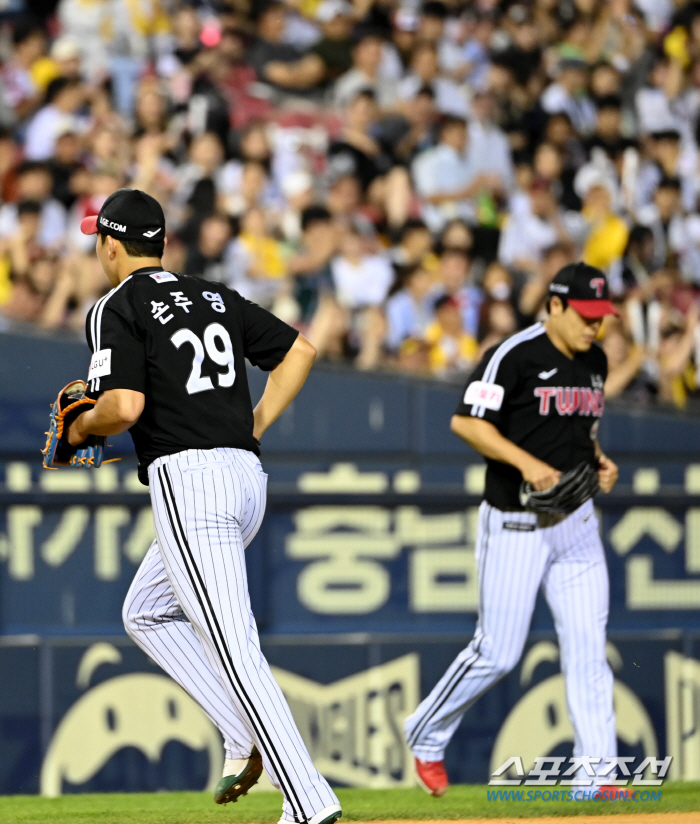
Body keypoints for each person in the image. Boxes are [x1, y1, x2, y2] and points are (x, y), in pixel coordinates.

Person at [64, 188, 342, 823]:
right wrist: (257, 424)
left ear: (110, 243)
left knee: (235, 647)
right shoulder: (212, 294)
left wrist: (82, 429)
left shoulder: (117, 304)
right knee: (146, 612)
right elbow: (300, 351)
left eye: (98, 240)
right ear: (158, 243)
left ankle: (308, 801)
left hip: (191, 483)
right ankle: (239, 730)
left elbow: (124, 407)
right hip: (245, 477)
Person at [405, 262, 620, 795]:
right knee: (498, 652)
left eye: (601, 316)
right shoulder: (516, 354)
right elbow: (466, 421)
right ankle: (425, 731)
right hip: (516, 522)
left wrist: (599, 458)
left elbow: (578, 427)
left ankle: (596, 777)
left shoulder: (595, 360)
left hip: (576, 525)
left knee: (590, 651)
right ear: (554, 306)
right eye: (585, 315)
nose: (594, 326)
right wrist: (525, 463)